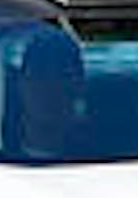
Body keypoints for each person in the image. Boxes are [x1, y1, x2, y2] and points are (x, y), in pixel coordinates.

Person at [12, 27, 86, 160]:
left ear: (79, 84)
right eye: (40, 74)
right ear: (20, 82)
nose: (50, 86)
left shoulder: (110, 157)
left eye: (61, 75)